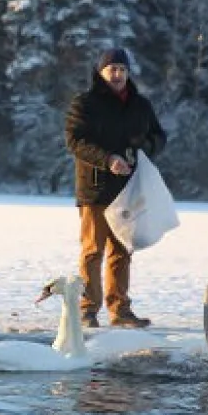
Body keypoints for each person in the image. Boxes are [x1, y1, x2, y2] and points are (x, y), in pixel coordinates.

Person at [64, 47, 167, 329]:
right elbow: (75, 141)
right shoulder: (84, 103)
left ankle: (120, 311)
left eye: (122, 69)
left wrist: (141, 149)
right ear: (101, 72)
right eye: (113, 69)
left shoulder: (140, 104)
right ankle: (87, 309)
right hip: (95, 189)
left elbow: (158, 137)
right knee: (92, 251)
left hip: (128, 191)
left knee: (122, 251)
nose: (118, 74)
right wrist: (108, 159)